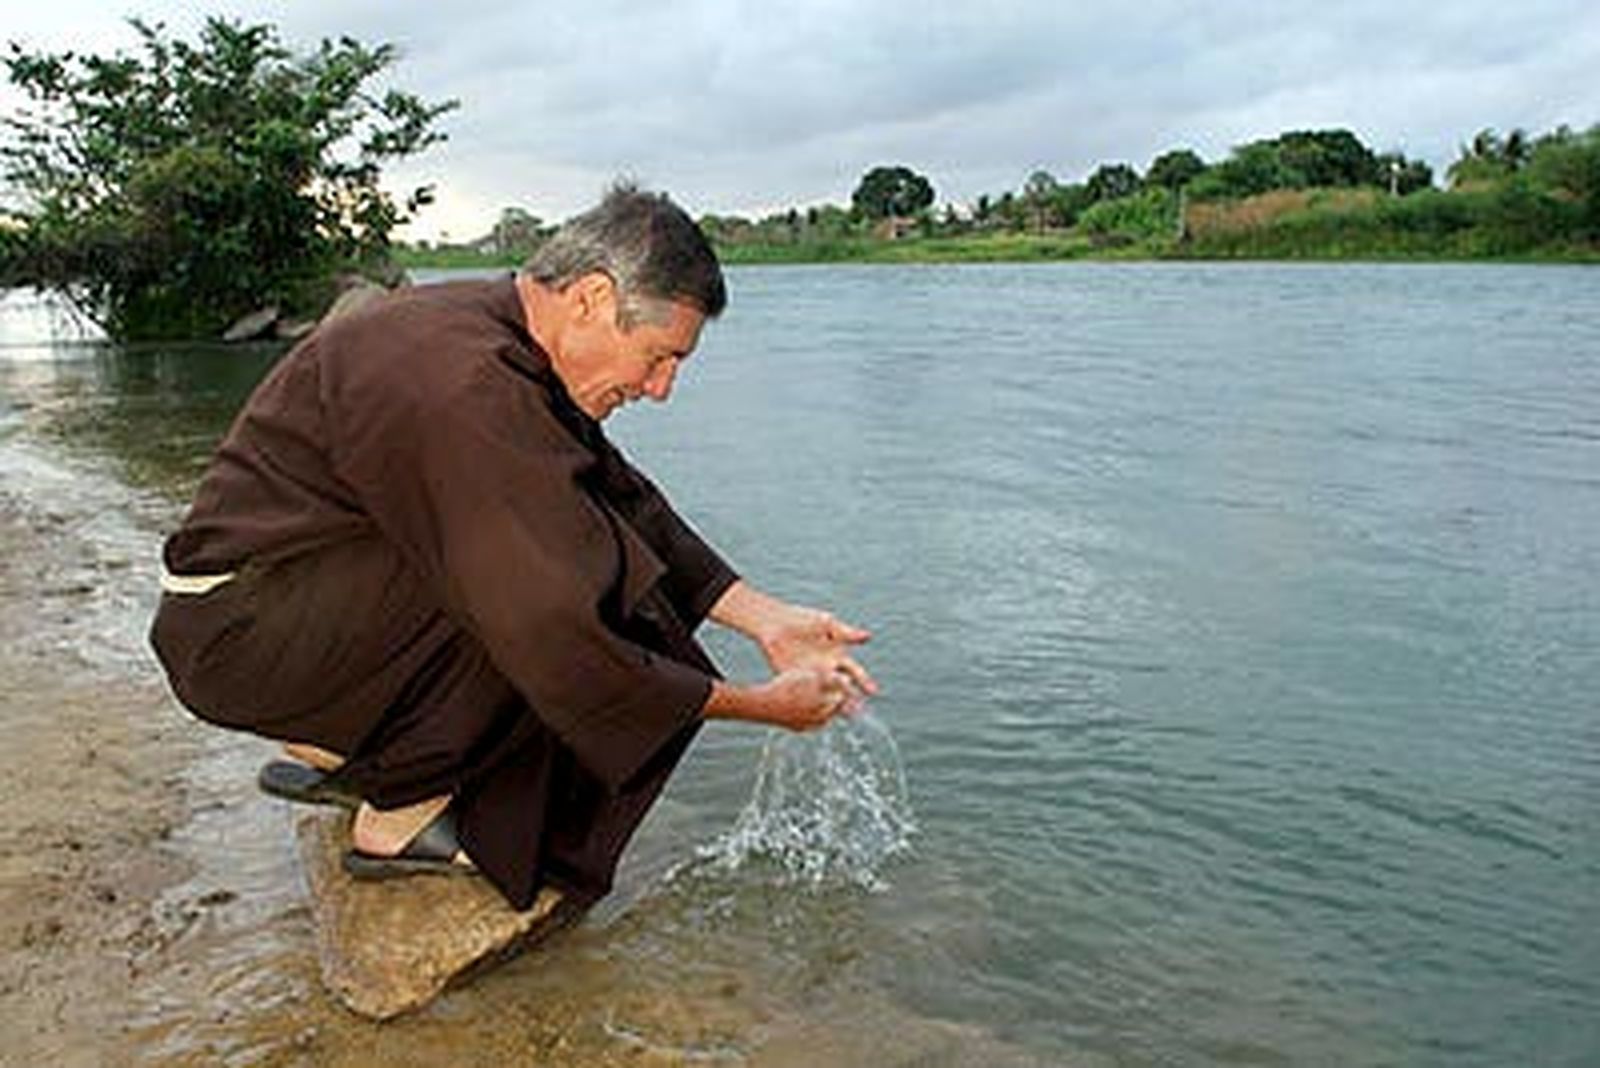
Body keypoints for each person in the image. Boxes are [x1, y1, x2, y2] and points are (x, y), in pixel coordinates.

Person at [149, 184, 876, 914]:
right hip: (242, 640)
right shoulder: (463, 384)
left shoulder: (492, 329)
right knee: (559, 586)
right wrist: (758, 705)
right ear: (591, 298)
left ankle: (352, 752)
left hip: (270, 613)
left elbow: (622, 496)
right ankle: (400, 814)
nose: (660, 390)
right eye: (659, 358)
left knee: (571, 535)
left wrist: (767, 619)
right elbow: (557, 634)